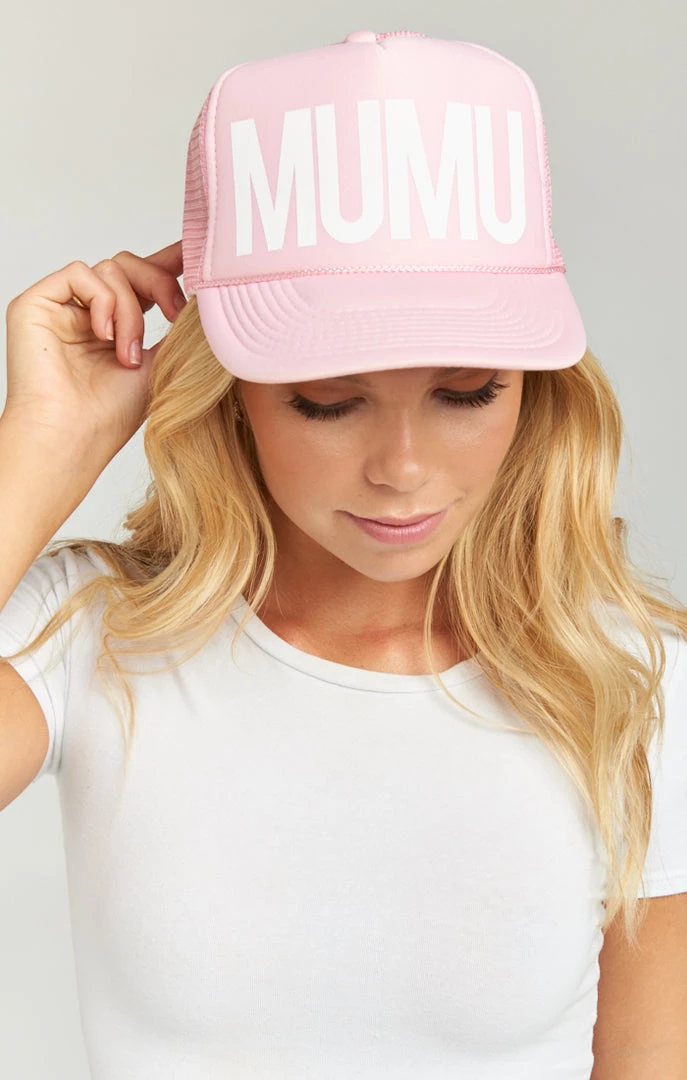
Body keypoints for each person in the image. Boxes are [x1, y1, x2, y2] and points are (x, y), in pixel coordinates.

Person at [1, 28, 686, 1080]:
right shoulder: (89, 636)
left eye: (468, 392)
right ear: (229, 394)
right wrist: (44, 445)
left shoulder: (635, 683)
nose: (402, 469)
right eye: (327, 401)